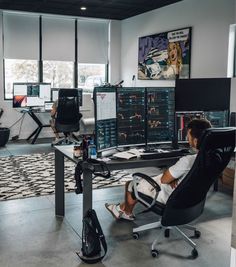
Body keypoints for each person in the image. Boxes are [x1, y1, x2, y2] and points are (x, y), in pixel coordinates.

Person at [105, 118, 212, 221]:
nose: (187, 139)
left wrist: (172, 177)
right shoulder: (211, 159)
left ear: (196, 140)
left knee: (131, 184)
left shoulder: (187, 161)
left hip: (171, 198)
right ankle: (120, 209)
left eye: (188, 136)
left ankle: (126, 213)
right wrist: (176, 178)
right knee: (145, 183)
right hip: (192, 200)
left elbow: (164, 180)